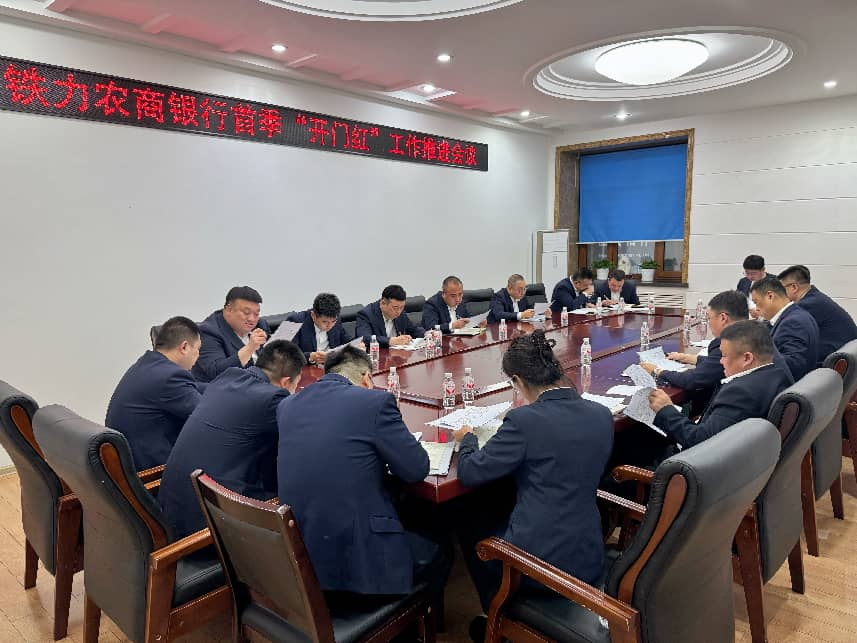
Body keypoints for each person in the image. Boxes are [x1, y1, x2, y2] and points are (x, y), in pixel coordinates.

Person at [453, 331, 613, 614]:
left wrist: (468, 439)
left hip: (538, 564)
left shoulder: (524, 420)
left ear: (517, 381)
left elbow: (469, 472)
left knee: (468, 517)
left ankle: (496, 612)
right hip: (588, 552)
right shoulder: (601, 414)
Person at [276, 346, 449, 596]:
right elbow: (416, 469)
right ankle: (416, 616)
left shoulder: (287, 406)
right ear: (367, 378)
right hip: (360, 564)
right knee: (441, 549)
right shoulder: (374, 402)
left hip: (302, 555)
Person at [159, 340, 304, 538]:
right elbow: (305, 437)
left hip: (171, 509)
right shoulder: (271, 399)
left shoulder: (228, 376)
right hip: (209, 526)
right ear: (286, 382)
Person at [649, 320, 792, 450]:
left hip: (698, 464)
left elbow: (700, 442)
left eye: (724, 355)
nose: (721, 362)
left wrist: (666, 409)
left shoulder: (740, 392)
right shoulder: (778, 374)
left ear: (747, 358)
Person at [640, 291, 793, 411]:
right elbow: (716, 365)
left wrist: (657, 371)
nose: (708, 322)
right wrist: (688, 358)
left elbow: (693, 380)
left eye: (709, 318)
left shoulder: (734, 342)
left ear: (723, 318)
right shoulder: (754, 333)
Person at [105, 316, 203, 471]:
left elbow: (193, 388)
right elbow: (208, 415)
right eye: (197, 350)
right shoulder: (170, 377)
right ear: (184, 347)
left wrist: (221, 387)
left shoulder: (149, 364)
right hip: (155, 472)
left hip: (132, 461)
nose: (198, 356)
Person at [778, 264, 857, 366]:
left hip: (832, 361)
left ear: (794, 287)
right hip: (843, 355)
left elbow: (783, 333)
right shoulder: (815, 297)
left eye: (781, 289)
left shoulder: (808, 305)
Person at [192, 286, 271, 382]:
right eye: (246, 313)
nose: (252, 319)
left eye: (256, 314)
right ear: (229, 310)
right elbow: (217, 372)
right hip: (221, 388)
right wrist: (249, 349)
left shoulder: (260, 324)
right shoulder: (208, 332)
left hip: (259, 383)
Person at [750, 276, 820, 380]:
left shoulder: (793, 322)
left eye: (756, 302)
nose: (756, 309)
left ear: (770, 296)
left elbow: (792, 365)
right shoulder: (795, 314)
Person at [287, 293, 352, 365]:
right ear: (313, 315)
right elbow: (286, 354)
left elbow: (347, 341)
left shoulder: (335, 318)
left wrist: (356, 346)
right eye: (325, 322)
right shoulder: (295, 321)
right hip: (307, 368)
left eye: (333, 321)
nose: (329, 326)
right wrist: (310, 357)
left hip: (331, 366)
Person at [355, 284, 425, 348]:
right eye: (395, 308)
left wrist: (426, 334)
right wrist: (391, 341)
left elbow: (413, 330)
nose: (399, 312)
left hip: (398, 354)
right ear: (383, 303)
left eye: (402, 307)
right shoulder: (366, 314)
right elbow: (364, 338)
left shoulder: (400, 313)